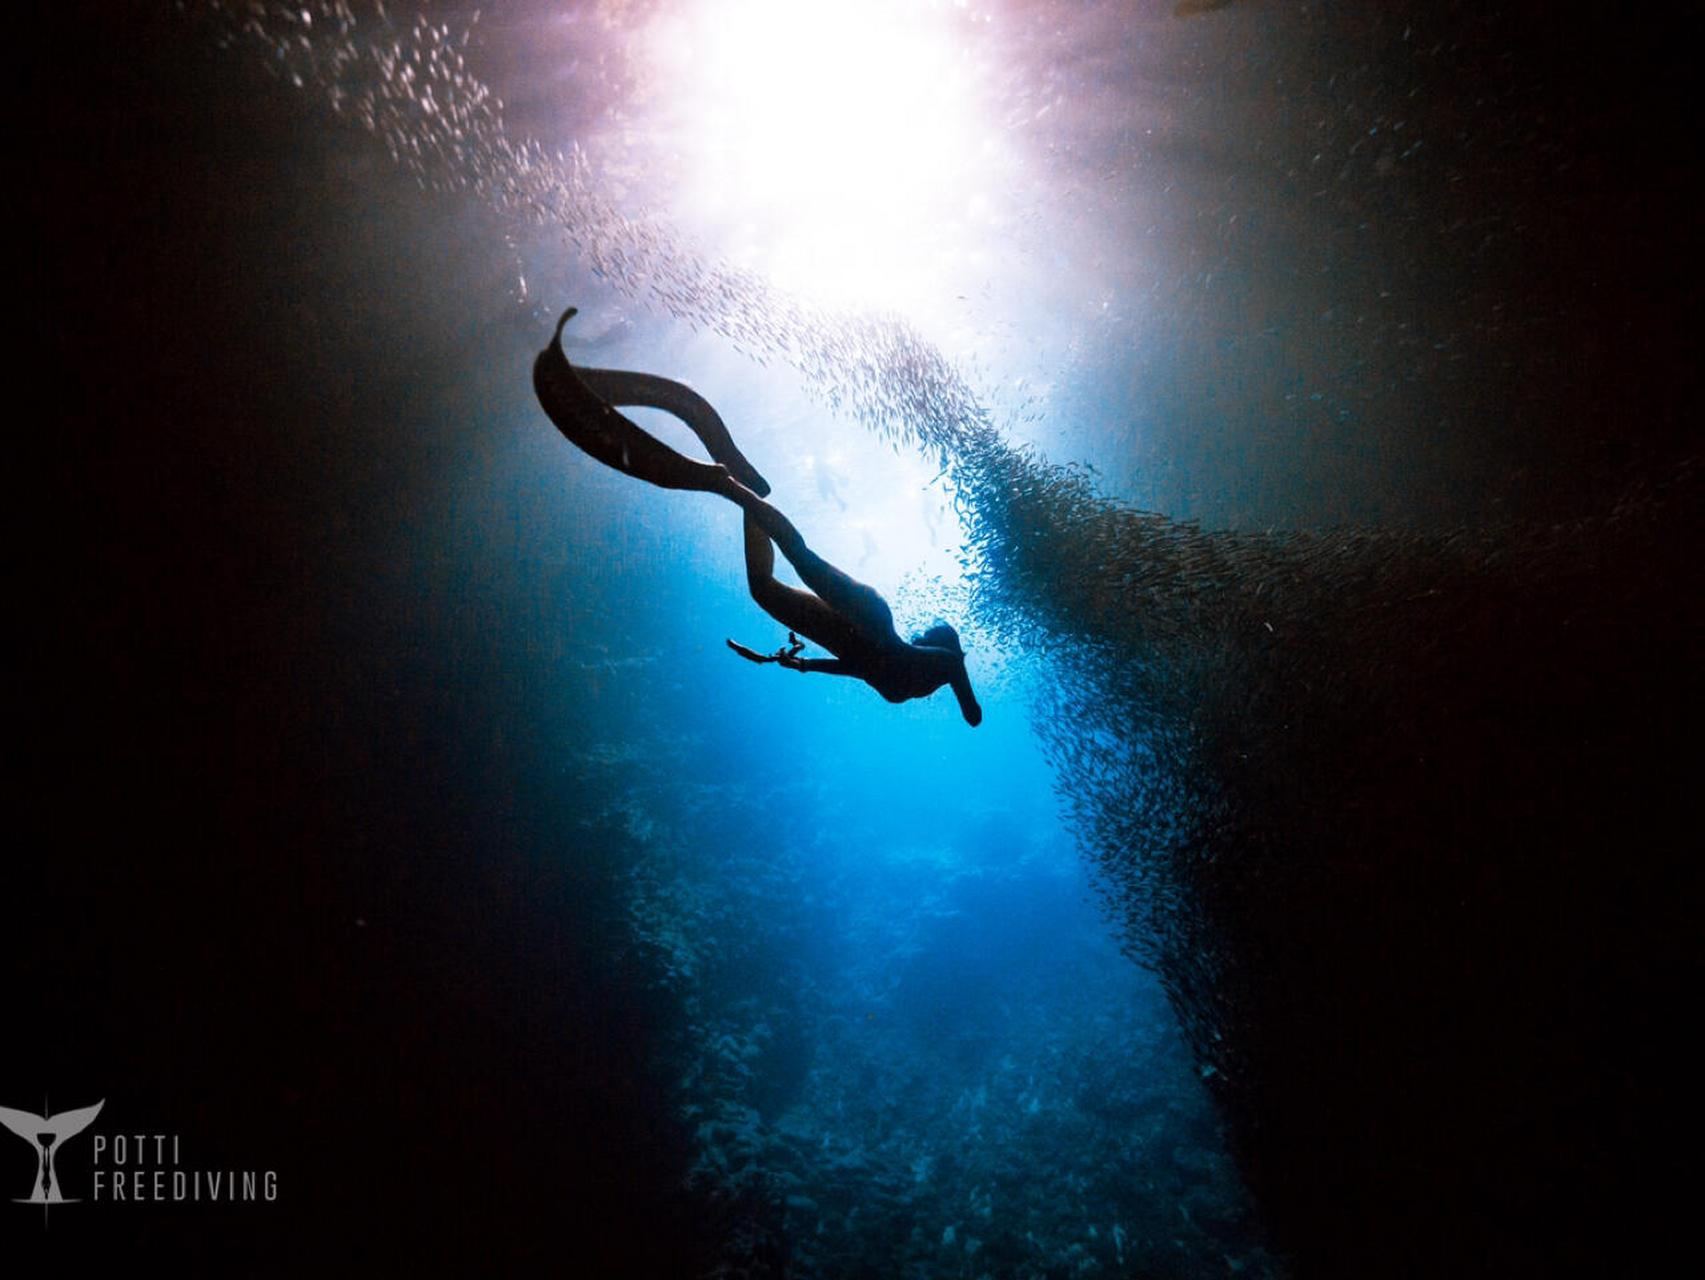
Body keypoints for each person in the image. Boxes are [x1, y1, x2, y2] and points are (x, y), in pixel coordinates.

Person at [534, 307, 983, 727]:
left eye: (929, 632)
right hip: (870, 618)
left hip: (850, 643)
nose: (924, 630)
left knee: (762, 589)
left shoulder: (912, 679)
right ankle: (732, 487)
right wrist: (955, 668)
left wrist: (803, 664)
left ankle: (748, 488)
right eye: (932, 635)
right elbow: (974, 716)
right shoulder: (941, 665)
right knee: (801, 560)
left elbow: (858, 670)